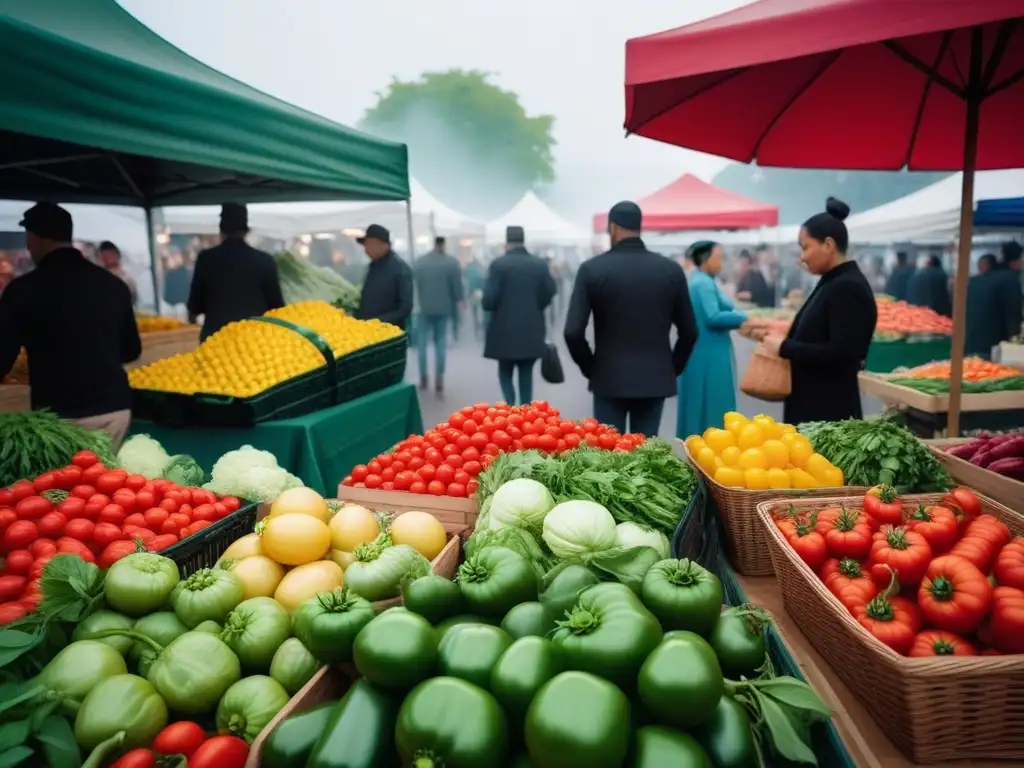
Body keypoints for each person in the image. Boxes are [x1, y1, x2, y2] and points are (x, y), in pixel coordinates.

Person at [0, 203, 141, 446]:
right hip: (114, 411)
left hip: (60, 418)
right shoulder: (113, 284)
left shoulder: (23, 290)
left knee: (65, 483)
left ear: (36, 237)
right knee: (108, 481)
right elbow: (131, 350)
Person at [564, 202, 698, 436]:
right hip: (654, 378)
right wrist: (671, 367)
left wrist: (591, 368)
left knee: (608, 460)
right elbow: (690, 331)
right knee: (645, 459)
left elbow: (573, 332)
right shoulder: (670, 270)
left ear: (613, 228)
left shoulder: (592, 269)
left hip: (608, 376)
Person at [762, 198, 877, 424]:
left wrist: (785, 347)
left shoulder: (847, 287)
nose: (802, 257)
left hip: (828, 413)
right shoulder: (832, 282)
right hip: (815, 408)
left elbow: (842, 352)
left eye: (805, 247)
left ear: (828, 245)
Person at [676, 241, 755, 438]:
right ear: (704, 259)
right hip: (709, 355)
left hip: (705, 351)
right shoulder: (702, 283)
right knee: (712, 403)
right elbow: (713, 317)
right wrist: (746, 318)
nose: (721, 264)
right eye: (718, 258)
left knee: (701, 403)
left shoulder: (701, 280)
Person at [187, 204, 285, 340]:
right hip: (255, 341)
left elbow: (194, 308)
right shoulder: (265, 261)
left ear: (221, 230)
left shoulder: (206, 259)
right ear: (246, 230)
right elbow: (277, 308)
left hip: (215, 340)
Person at [483, 226, 555, 405]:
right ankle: (526, 412)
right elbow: (550, 291)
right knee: (526, 372)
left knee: (505, 371)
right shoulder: (539, 265)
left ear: (506, 243)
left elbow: (489, 300)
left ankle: (509, 407)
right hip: (531, 328)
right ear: (523, 241)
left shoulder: (498, 265)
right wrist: (536, 306)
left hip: (503, 329)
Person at [413, 236, 463, 393]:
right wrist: (460, 300)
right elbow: (457, 286)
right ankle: (439, 378)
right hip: (443, 308)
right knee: (440, 343)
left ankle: (423, 377)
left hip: (423, 308)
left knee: (421, 344)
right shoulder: (451, 263)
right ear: (444, 245)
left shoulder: (420, 262)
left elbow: (415, 285)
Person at [355, 224, 414, 331]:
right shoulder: (373, 266)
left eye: (370, 244)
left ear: (384, 245)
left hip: (389, 334)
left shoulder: (400, 270)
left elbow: (405, 308)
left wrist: (378, 321)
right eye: (365, 245)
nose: (366, 249)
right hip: (367, 331)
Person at [966, 254, 1019, 358]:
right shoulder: (1008, 278)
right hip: (992, 345)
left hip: (971, 344)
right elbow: (1014, 313)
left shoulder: (972, 282)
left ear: (987, 266)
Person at [98, 241, 138, 305]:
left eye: (108, 255)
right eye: (103, 256)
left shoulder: (127, 277)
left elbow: (132, 299)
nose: (105, 259)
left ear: (116, 255)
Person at [465, 257, 487, 340]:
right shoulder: (482, 269)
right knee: (484, 311)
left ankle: (476, 325)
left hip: (473, 293)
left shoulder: (469, 269)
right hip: (483, 293)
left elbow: (468, 283)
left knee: (474, 311)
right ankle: (484, 326)